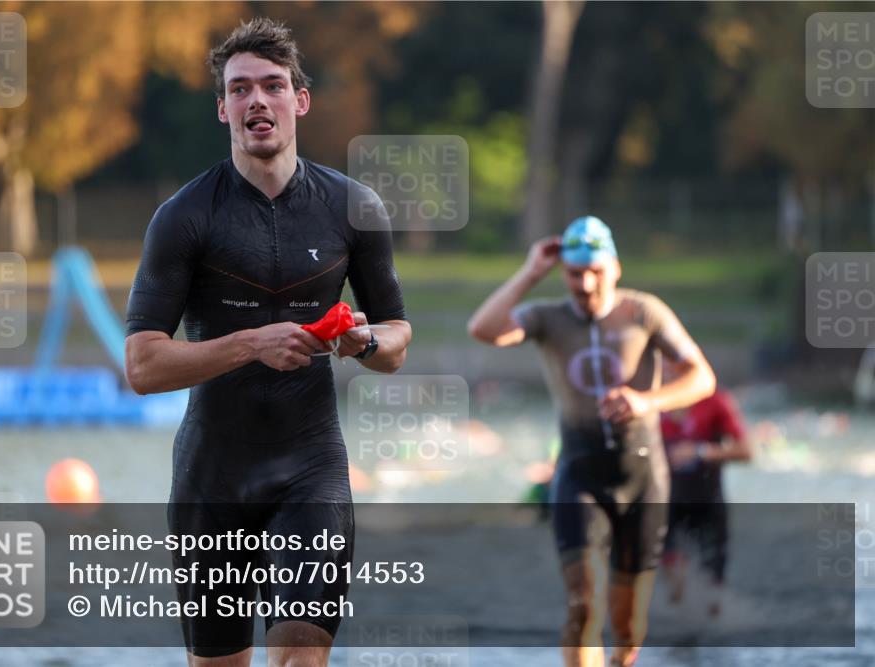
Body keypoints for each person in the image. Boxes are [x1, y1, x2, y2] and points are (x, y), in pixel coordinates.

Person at [124, 18, 411, 667]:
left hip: (311, 472)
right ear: (222, 108)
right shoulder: (183, 217)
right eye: (240, 88)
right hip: (212, 478)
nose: (257, 99)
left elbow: (398, 338)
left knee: (300, 659)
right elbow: (142, 365)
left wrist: (364, 340)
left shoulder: (354, 207)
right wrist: (252, 344)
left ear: (299, 100)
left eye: (273, 85)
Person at [467, 216, 716, 667]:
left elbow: (702, 378)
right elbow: (483, 329)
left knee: (627, 626)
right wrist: (531, 272)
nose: (584, 284)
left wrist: (646, 401)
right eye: (574, 273)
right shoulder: (548, 318)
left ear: (615, 268)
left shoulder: (644, 312)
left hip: (642, 479)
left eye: (595, 271)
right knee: (583, 604)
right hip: (579, 476)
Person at [660, 386, 751, 617]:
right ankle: (678, 624)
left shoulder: (716, 402)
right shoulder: (651, 402)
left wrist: (699, 451)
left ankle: (711, 626)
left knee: (713, 595)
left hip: (708, 502)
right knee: (676, 586)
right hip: (666, 504)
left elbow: (746, 451)